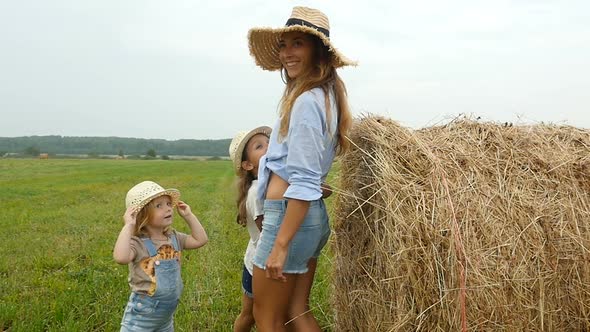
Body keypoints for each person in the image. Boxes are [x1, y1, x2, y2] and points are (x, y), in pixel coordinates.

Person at [247, 6, 356, 331]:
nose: (287, 53)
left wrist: (280, 245)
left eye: (298, 44)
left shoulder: (308, 101)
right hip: (307, 216)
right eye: (284, 44)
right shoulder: (324, 95)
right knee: (297, 313)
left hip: (288, 219)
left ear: (317, 50)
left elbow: (305, 179)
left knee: (266, 318)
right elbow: (306, 168)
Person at [113, 180, 208, 331]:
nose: (168, 209)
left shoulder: (175, 238)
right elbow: (121, 257)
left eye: (169, 204)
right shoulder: (138, 243)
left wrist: (189, 216)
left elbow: (200, 240)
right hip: (141, 318)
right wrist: (129, 225)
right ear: (142, 214)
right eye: (159, 206)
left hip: (165, 319)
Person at [228, 126, 272, 332]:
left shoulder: (274, 183)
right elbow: (268, 232)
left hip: (269, 261)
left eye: (269, 141)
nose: (269, 146)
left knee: (269, 312)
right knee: (250, 315)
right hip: (257, 266)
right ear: (247, 164)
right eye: (259, 146)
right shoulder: (257, 192)